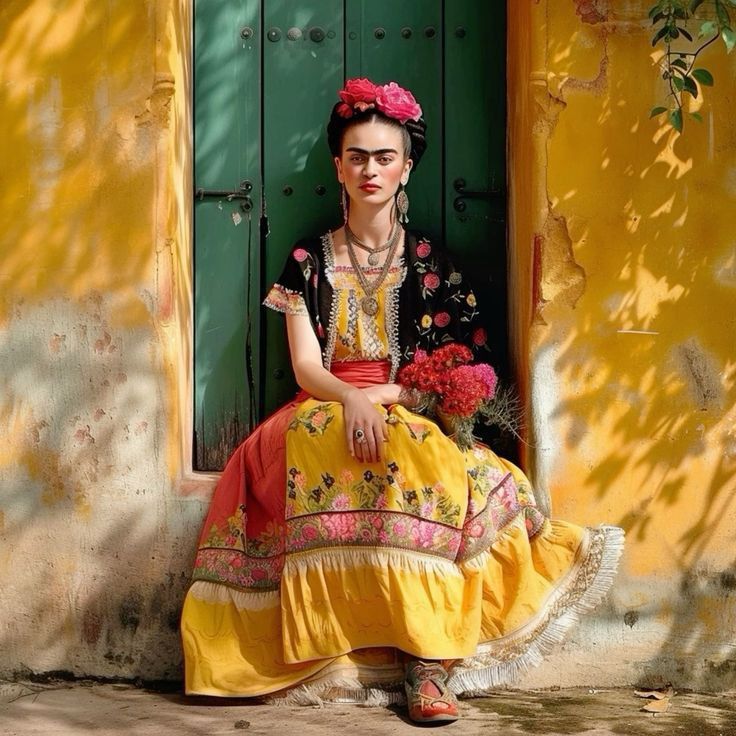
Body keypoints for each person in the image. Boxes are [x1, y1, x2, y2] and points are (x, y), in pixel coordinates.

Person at [180, 78, 624, 724]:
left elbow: (451, 372)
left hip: (404, 403)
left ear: (406, 165)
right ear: (337, 164)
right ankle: (328, 646)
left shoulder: (432, 268)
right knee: (313, 446)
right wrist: (349, 399)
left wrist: (381, 398)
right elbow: (307, 364)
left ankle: (428, 660)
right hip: (322, 400)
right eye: (356, 155)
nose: (370, 169)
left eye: (384, 157)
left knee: (424, 456)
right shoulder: (306, 261)